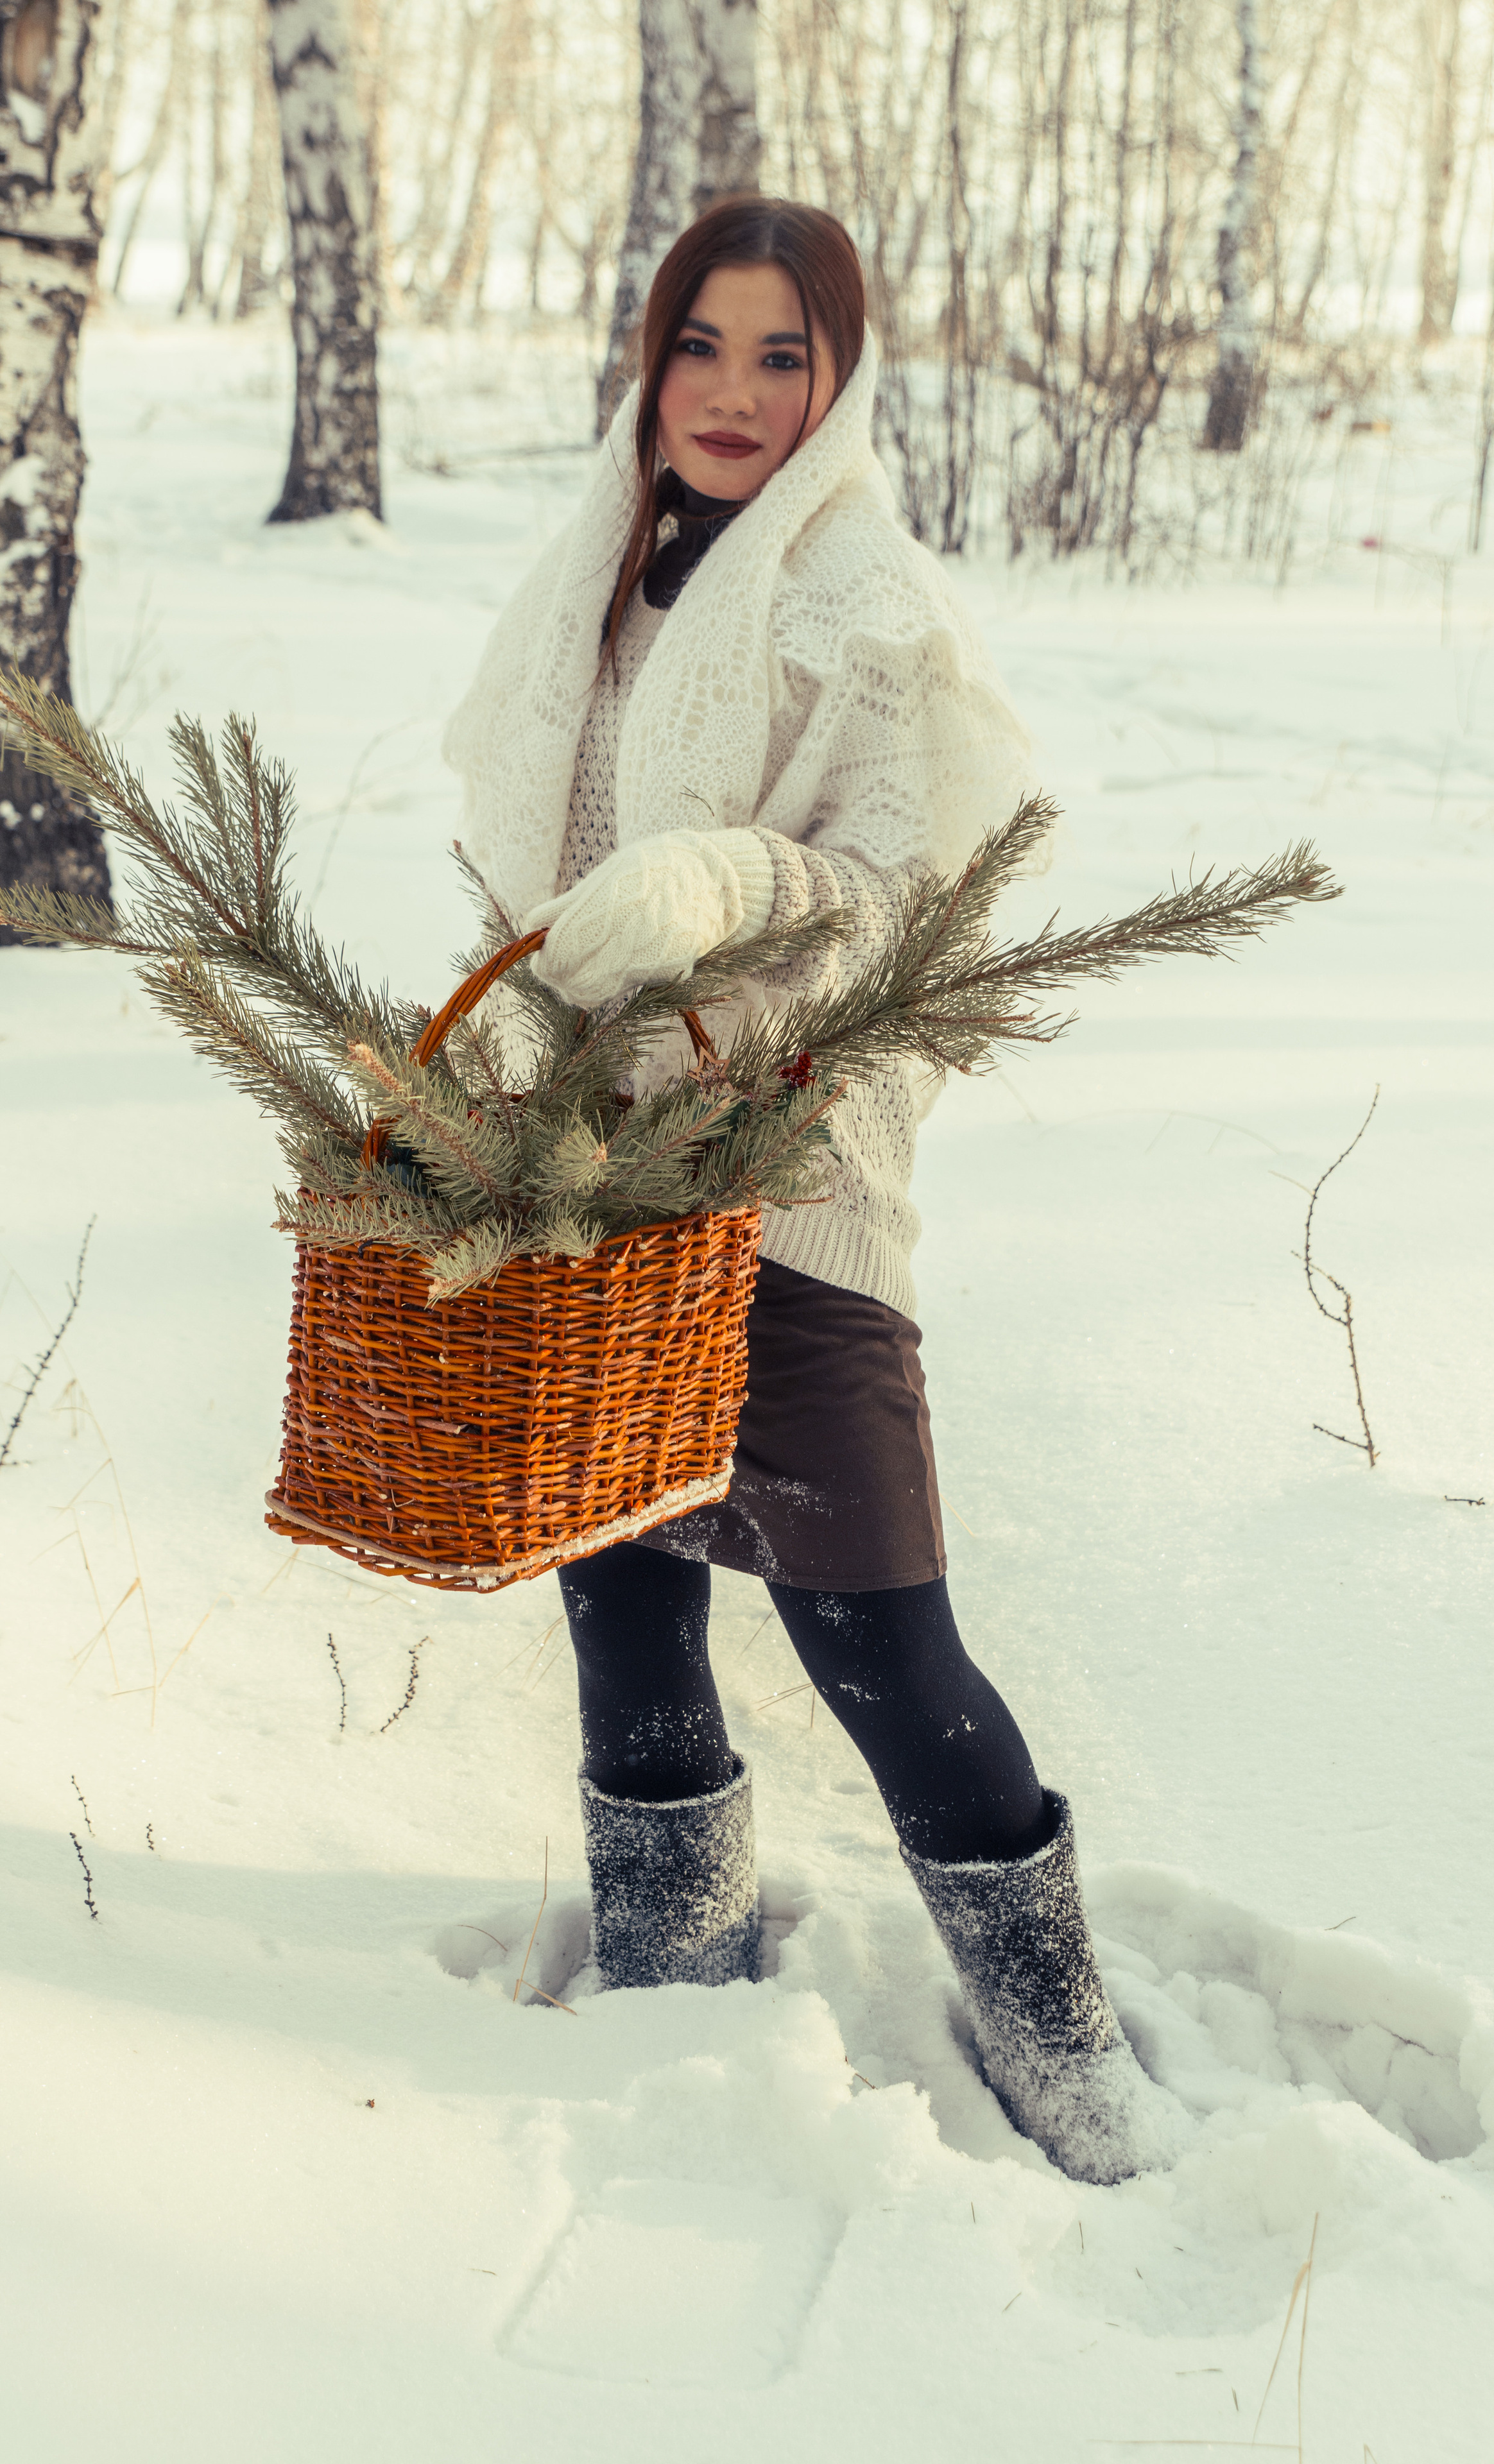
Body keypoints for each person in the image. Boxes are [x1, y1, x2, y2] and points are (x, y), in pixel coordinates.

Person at [443, 198, 1187, 2187]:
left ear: (840, 380)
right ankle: (675, 1999)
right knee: (626, 1604)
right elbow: (522, 864)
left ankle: (1063, 2041)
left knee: (885, 1637)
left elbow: (898, 887)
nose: (738, 394)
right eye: (705, 345)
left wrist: (725, 903)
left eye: (788, 357)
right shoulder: (595, 571)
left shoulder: (862, 597)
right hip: (590, 1189)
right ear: (651, 353)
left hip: (795, 1191)